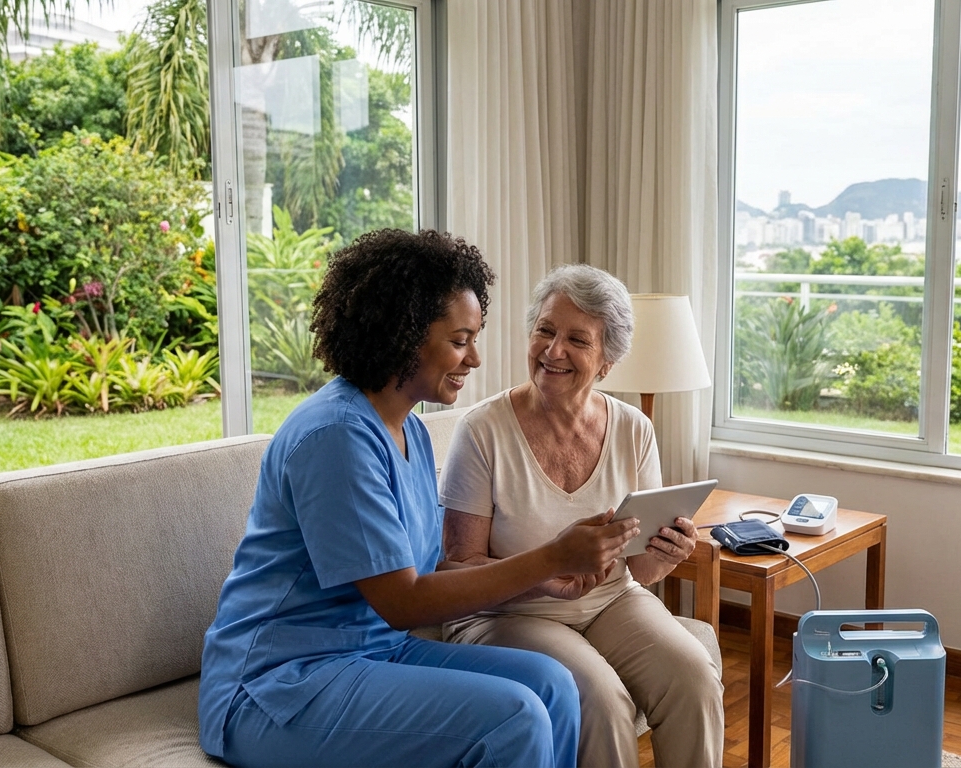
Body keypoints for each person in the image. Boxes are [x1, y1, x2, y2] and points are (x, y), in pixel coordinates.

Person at [198, 231, 641, 768]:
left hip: (374, 651)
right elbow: (404, 601)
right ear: (404, 335)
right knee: (515, 716)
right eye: (460, 340)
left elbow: (429, 570)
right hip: (279, 684)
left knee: (554, 684)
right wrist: (550, 557)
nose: (475, 358)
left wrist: (544, 580)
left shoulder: (409, 430)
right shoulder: (337, 436)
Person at [440, 264, 724, 768]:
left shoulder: (634, 430)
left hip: (612, 599)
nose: (553, 351)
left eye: (577, 339)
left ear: (607, 362)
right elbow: (457, 568)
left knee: (694, 676)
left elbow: (641, 569)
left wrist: (667, 554)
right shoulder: (482, 431)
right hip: (508, 614)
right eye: (545, 330)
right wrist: (547, 574)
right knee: (602, 700)